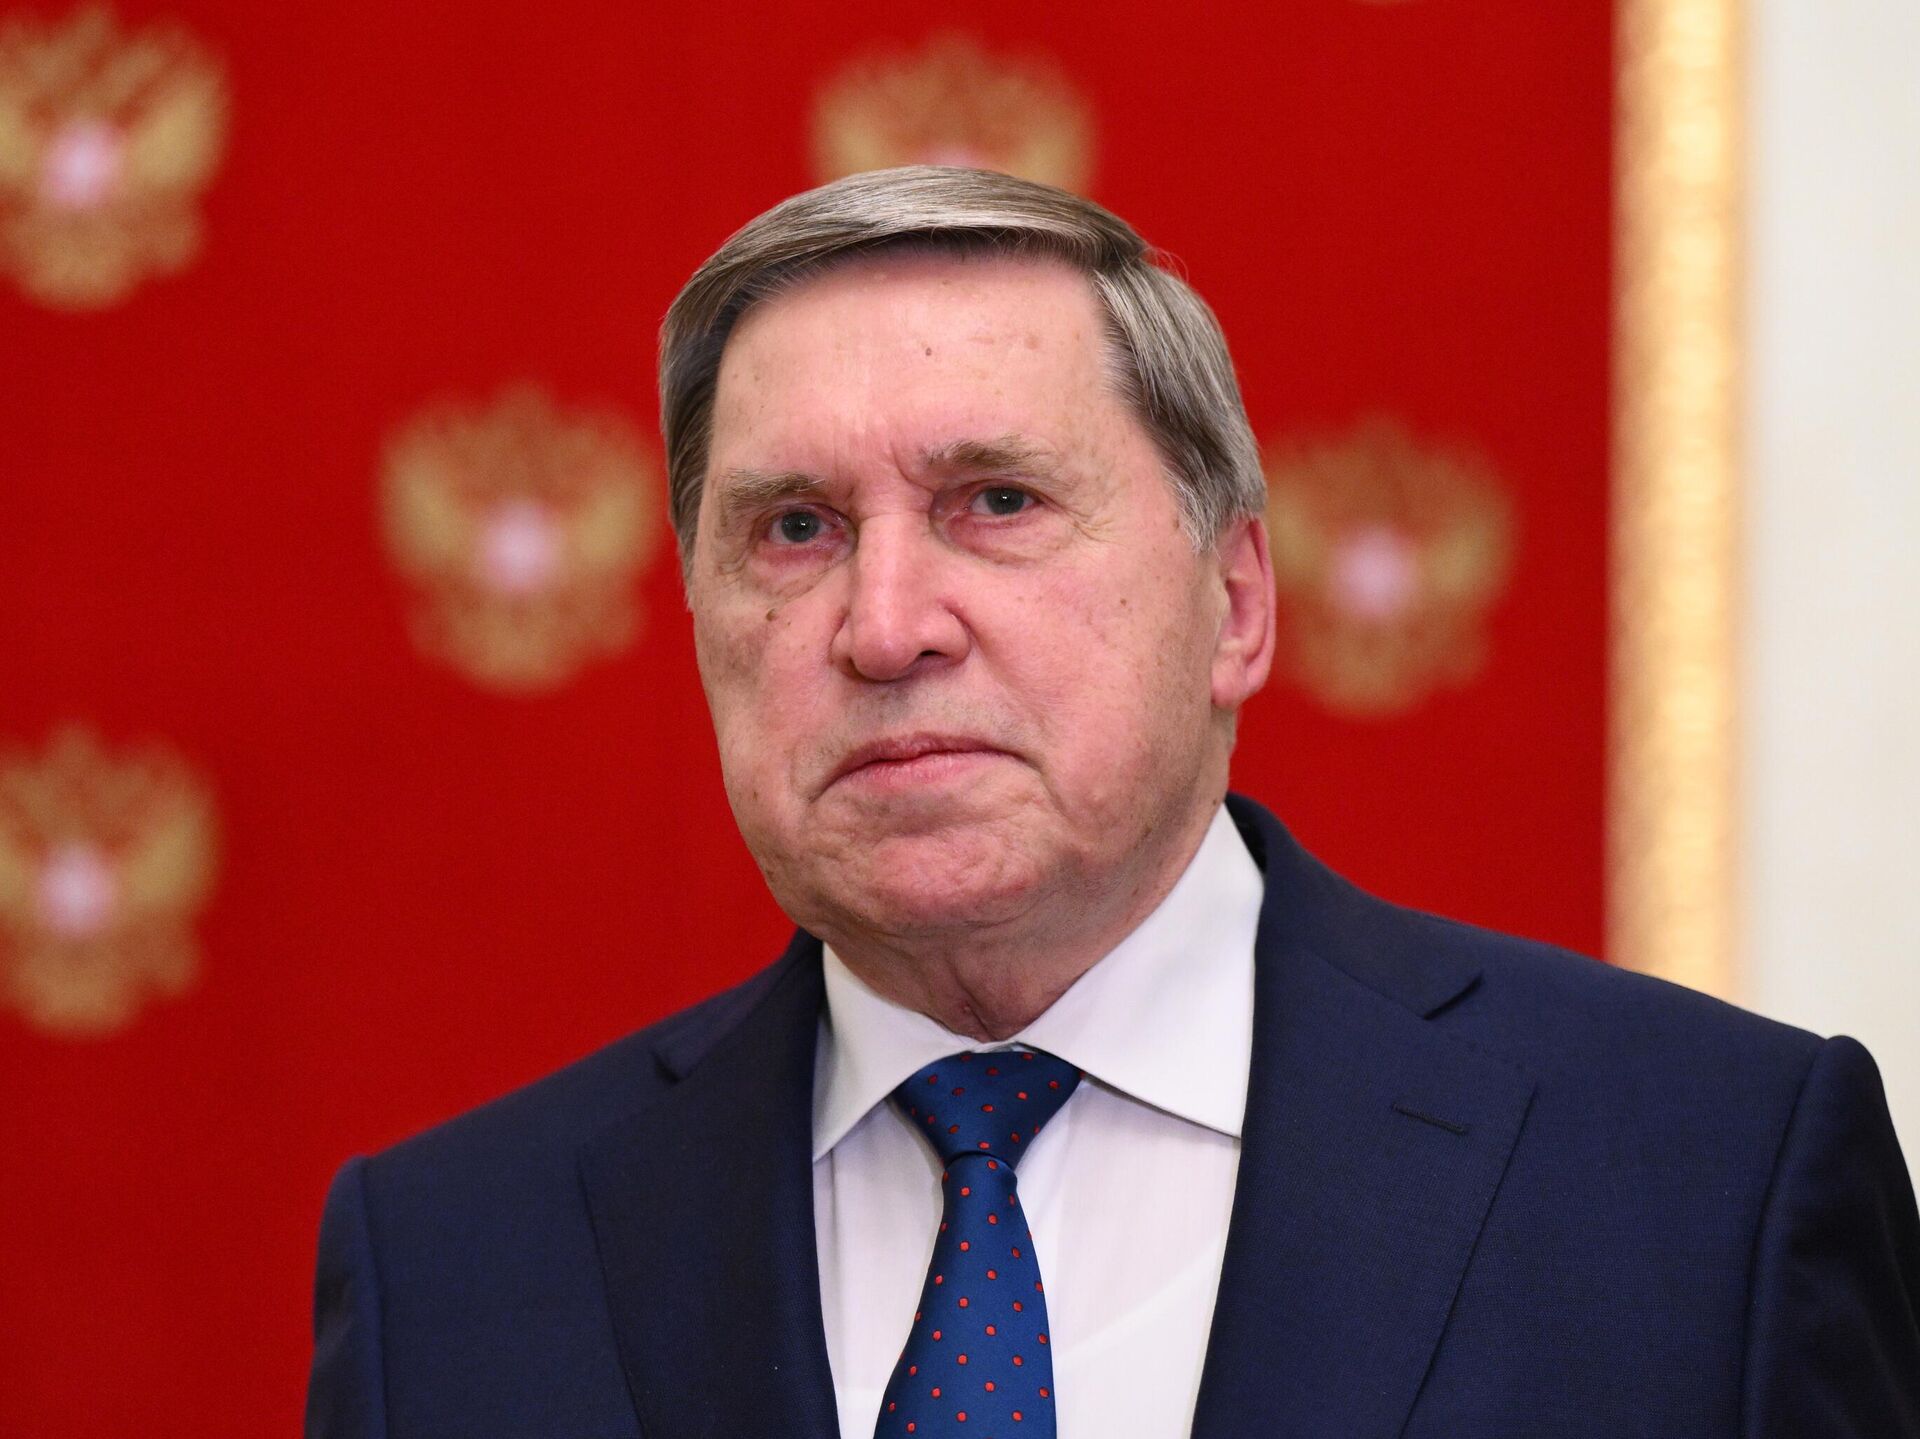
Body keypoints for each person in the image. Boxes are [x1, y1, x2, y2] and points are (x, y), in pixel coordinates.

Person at [306, 167, 1920, 1439]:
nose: (885, 626)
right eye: (794, 530)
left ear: (1235, 603)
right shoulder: (454, 1268)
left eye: (996, 501)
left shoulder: (1708, 1186)